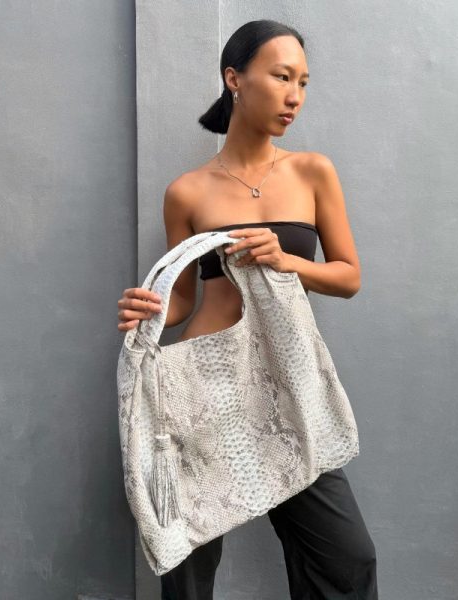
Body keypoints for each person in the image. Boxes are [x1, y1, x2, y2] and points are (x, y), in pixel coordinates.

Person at [117, 19, 378, 600]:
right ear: (234, 79)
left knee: (346, 558)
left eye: (303, 82)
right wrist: (149, 306)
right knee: (189, 559)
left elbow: (348, 277)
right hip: (205, 382)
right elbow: (185, 298)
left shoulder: (313, 171)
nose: (295, 96)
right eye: (282, 77)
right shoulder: (187, 191)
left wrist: (288, 262)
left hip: (283, 378)